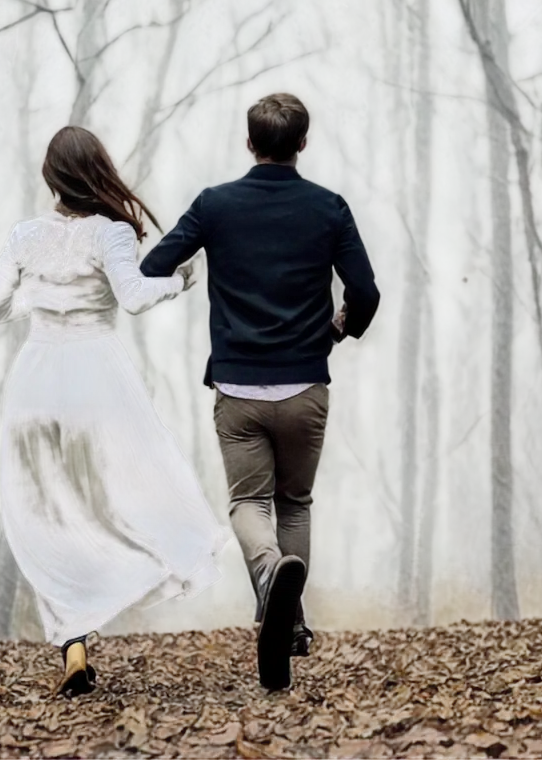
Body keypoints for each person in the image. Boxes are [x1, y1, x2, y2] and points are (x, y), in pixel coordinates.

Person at [140, 91, 381, 692]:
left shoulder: (216, 205)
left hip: (238, 386)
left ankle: (271, 574)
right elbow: (366, 293)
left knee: (249, 505)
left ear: (249, 142)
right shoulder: (328, 208)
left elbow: (154, 265)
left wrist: (181, 274)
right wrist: (335, 330)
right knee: (295, 502)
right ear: (303, 143)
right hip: (304, 385)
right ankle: (291, 622)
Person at [0, 125, 233, 698]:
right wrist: (176, 282)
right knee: (142, 481)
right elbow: (133, 297)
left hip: (35, 385)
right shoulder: (111, 232)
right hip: (96, 377)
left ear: (50, 176)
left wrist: (36, 302)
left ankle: (73, 644)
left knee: (49, 517)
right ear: (97, 173)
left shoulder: (24, 235)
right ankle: (180, 546)